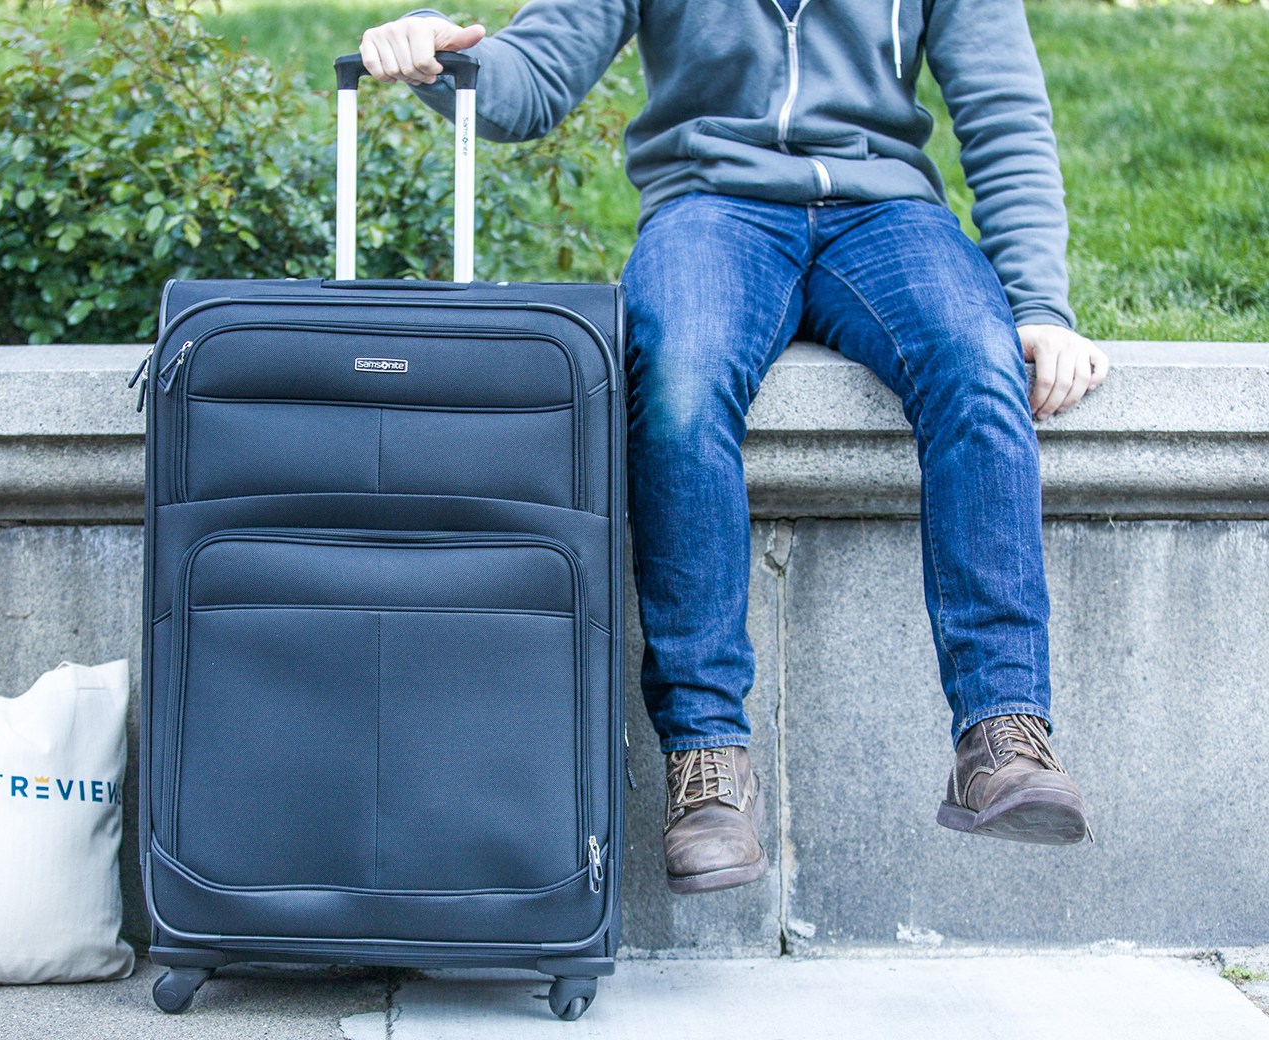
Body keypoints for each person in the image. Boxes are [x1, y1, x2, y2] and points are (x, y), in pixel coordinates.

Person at [360, 0, 1102, 895]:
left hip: (887, 214)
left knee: (981, 368)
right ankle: (708, 762)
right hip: (712, 210)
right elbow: (535, 73)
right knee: (674, 381)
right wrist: (444, 62)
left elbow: (1004, 111)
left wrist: (1037, 307)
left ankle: (1003, 732)